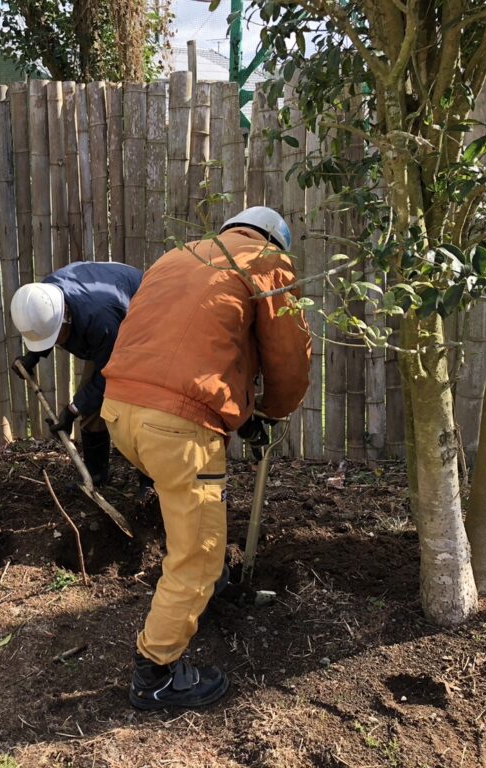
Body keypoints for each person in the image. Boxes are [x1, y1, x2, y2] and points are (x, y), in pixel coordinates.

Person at [100, 207, 312, 710]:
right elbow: (288, 357)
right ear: (275, 241)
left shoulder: (178, 255)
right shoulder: (265, 263)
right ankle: (156, 674)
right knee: (198, 551)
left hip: (120, 411)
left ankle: (206, 590)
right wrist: (272, 410)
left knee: (191, 509)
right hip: (175, 427)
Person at [10, 261, 145, 491]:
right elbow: (47, 328)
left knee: (137, 410)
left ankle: (150, 484)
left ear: (66, 317)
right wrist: (32, 356)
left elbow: (108, 377)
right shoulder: (45, 298)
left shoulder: (101, 321)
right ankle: (96, 475)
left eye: (55, 337)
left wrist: (73, 410)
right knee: (91, 406)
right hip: (110, 333)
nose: (55, 343)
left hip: (142, 326)